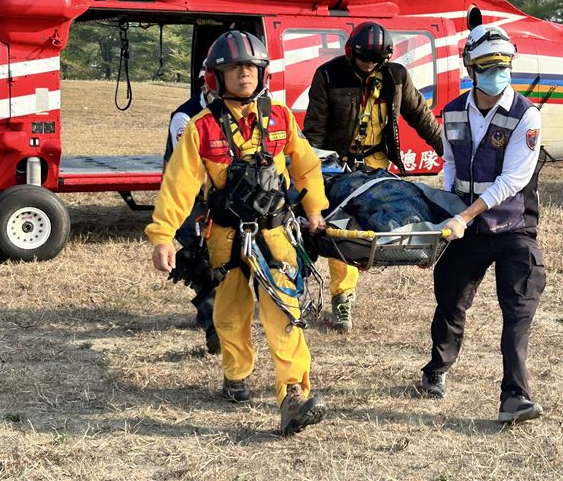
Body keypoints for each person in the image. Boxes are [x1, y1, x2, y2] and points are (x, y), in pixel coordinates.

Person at [147, 30, 330, 436]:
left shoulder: (281, 117)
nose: (243, 74)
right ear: (216, 77)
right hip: (225, 239)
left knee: (285, 313)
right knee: (230, 314)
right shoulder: (199, 128)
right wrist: (162, 236)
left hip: (275, 236)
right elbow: (178, 184)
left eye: (250, 66)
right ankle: (236, 374)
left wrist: (315, 209)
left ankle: (293, 396)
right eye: (233, 68)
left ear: (261, 72)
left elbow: (305, 166)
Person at [419, 24, 546, 424]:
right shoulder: (453, 109)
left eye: (504, 64)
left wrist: (464, 215)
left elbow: (513, 180)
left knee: (518, 311)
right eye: (489, 64)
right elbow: (452, 165)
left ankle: (515, 397)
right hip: (467, 230)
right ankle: (436, 369)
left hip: (514, 229)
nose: (498, 72)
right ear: (470, 66)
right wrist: (446, 213)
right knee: (451, 300)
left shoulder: (527, 115)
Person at [303, 21, 443, 332]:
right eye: (365, 59)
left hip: (375, 165)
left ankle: (395, 261)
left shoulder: (395, 77)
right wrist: (312, 169)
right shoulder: (328, 75)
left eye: (376, 60)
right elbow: (314, 129)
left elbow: (420, 115)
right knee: (341, 229)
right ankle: (341, 297)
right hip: (336, 167)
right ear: (352, 53)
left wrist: (446, 148)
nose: (370, 66)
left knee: (384, 222)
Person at [163, 59, 220, 354]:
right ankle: (216, 328)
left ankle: (209, 314)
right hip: (189, 197)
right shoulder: (185, 118)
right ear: (205, 84)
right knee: (203, 259)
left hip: (220, 196)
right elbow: (190, 170)